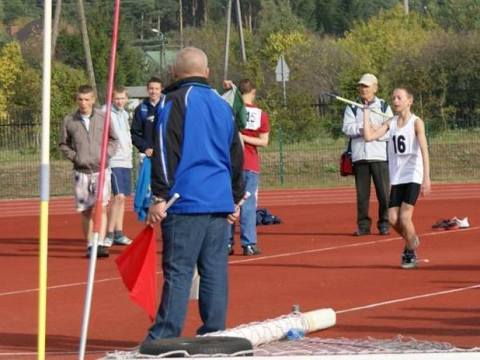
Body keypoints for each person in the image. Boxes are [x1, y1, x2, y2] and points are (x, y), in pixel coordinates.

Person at [143, 47, 244, 341]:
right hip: (218, 199)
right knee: (214, 270)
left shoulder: (173, 102)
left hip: (185, 200)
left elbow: (164, 150)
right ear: (208, 73)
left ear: (174, 72)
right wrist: (235, 197)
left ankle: (164, 335)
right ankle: (213, 331)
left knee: (179, 270)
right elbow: (235, 152)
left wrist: (158, 196)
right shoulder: (222, 104)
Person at [362, 87, 431, 268]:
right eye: (393, 98)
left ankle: (410, 251)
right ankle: (412, 240)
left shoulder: (417, 123)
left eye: (399, 98)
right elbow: (369, 137)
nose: (395, 101)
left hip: (413, 175)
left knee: (405, 218)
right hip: (397, 177)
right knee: (393, 219)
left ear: (409, 101)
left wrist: (427, 179)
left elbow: (424, 150)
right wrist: (366, 113)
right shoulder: (390, 122)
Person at [59, 85, 118, 258]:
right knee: (85, 210)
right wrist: (75, 157)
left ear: (93, 100)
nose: (83, 103)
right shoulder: (69, 120)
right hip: (81, 171)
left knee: (101, 207)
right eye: (80, 99)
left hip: (101, 170)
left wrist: (106, 154)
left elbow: (114, 139)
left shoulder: (103, 117)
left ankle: (100, 243)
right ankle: (90, 244)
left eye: (86, 99)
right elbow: (63, 144)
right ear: (76, 100)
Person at [342, 73, 393, 236]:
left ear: (375, 87)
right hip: (360, 156)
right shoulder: (352, 106)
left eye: (366, 86)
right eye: (361, 86)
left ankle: (384, 223)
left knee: (384, 194)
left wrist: (375, 132)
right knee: (362, 195)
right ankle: (363, 225)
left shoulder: (384, 106)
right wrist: (363, 129)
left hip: (379, 156)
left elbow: (390, 129)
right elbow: (347, 128)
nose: (363, 89)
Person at [225, 79, 270, 256]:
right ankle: (249, 243)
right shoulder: (260, 114)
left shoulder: (229, 110)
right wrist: (246, 139)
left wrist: (240, 137)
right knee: (248, 205)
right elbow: (264, 141)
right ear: (253, 92)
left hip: (230, 162)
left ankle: (227, 242)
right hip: (249, 163)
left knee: (229, 202)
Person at [103, 86, 133, 247]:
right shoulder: (106, 113)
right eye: (117, 98)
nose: (120, 101)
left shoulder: (125, 114)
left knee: (123, 199)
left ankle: (119, 233)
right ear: (111, 99)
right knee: (118, 197)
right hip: (114, 160)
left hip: (126, 160)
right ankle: (109, 233)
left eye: (122, 98)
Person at [131, 76, 163, 161]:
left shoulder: (166, 107)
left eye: (157, 89)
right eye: (151, 88)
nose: (154, 91)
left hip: (164, 156)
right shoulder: (141, 109)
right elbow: (134, 134)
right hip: (146, 156)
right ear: (147, 89)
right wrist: (145, 147)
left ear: (161, 90)